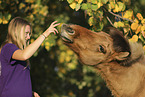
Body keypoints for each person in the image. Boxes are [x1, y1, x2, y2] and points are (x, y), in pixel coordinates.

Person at [0, 17, 60, 97]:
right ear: (16, 31)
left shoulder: (18, 54)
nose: (28, 37)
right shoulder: (8, 48)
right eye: (26, 33)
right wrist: (44, 35)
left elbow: (14, 82)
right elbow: (24, 55)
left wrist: (30, 92)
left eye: (29, 34)